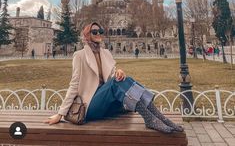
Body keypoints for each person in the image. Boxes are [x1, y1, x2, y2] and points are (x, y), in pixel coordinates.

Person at [44, 22, 183, 133]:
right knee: (117, 83)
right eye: (94, 32)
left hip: (107, 103)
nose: (98, 34)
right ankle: (151, 119)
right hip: (90, 106)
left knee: (126, 79)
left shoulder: (105, 53)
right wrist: (60, 114)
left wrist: (118, 72)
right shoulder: (80, 55)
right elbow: (74, 84)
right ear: (87, 35)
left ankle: (158, 118)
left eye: (100, 32)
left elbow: (112, 76)